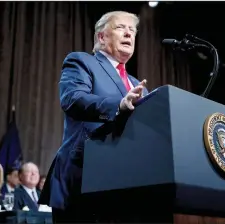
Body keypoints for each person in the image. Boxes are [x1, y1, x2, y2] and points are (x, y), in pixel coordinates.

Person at [39, 10, 148, 223]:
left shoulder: (136, 84)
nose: (129, 34)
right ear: (101, 37)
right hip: (84, 175)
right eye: (120, 28)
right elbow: (73, 99)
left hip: (126, 182)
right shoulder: (82, 62)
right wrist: (118, 105)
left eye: (132, 30)